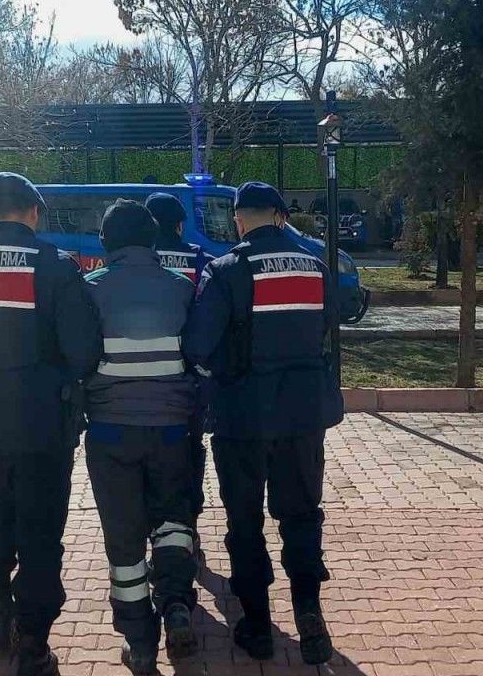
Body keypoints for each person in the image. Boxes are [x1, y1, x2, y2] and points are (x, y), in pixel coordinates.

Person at [0, 172, 102, 676]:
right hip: (41, 422)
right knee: (39, 529)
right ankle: (33, 643)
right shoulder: (56, 266)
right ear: (34, 213)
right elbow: (83, 352)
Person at [182, 181, 344, 665]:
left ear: (237, 220)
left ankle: (256, 624)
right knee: (302, 515)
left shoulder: (226, 269)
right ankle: (309, 612)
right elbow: (327, 325)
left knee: (245, 522)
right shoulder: (315, 267)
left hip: (243, 417)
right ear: (280, 216)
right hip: (302, 415)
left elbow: (198, 344)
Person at [82, 199, 199, 674]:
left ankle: (140, 641)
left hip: (110, 432)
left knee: (125, 540)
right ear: (154, 240)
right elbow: (198, 354)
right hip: (172, 428)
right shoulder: (182, 287)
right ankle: (176, 603)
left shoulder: (89, 289)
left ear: (105, 242)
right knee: (173, 520)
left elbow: (77, 356)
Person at [144, 192, 210, 543]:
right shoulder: (200, 260)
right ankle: (187, 524)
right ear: (180, 225)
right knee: (189, 448)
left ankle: (151, 524)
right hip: (189, 377)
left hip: (142, 376)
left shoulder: (139, 261)